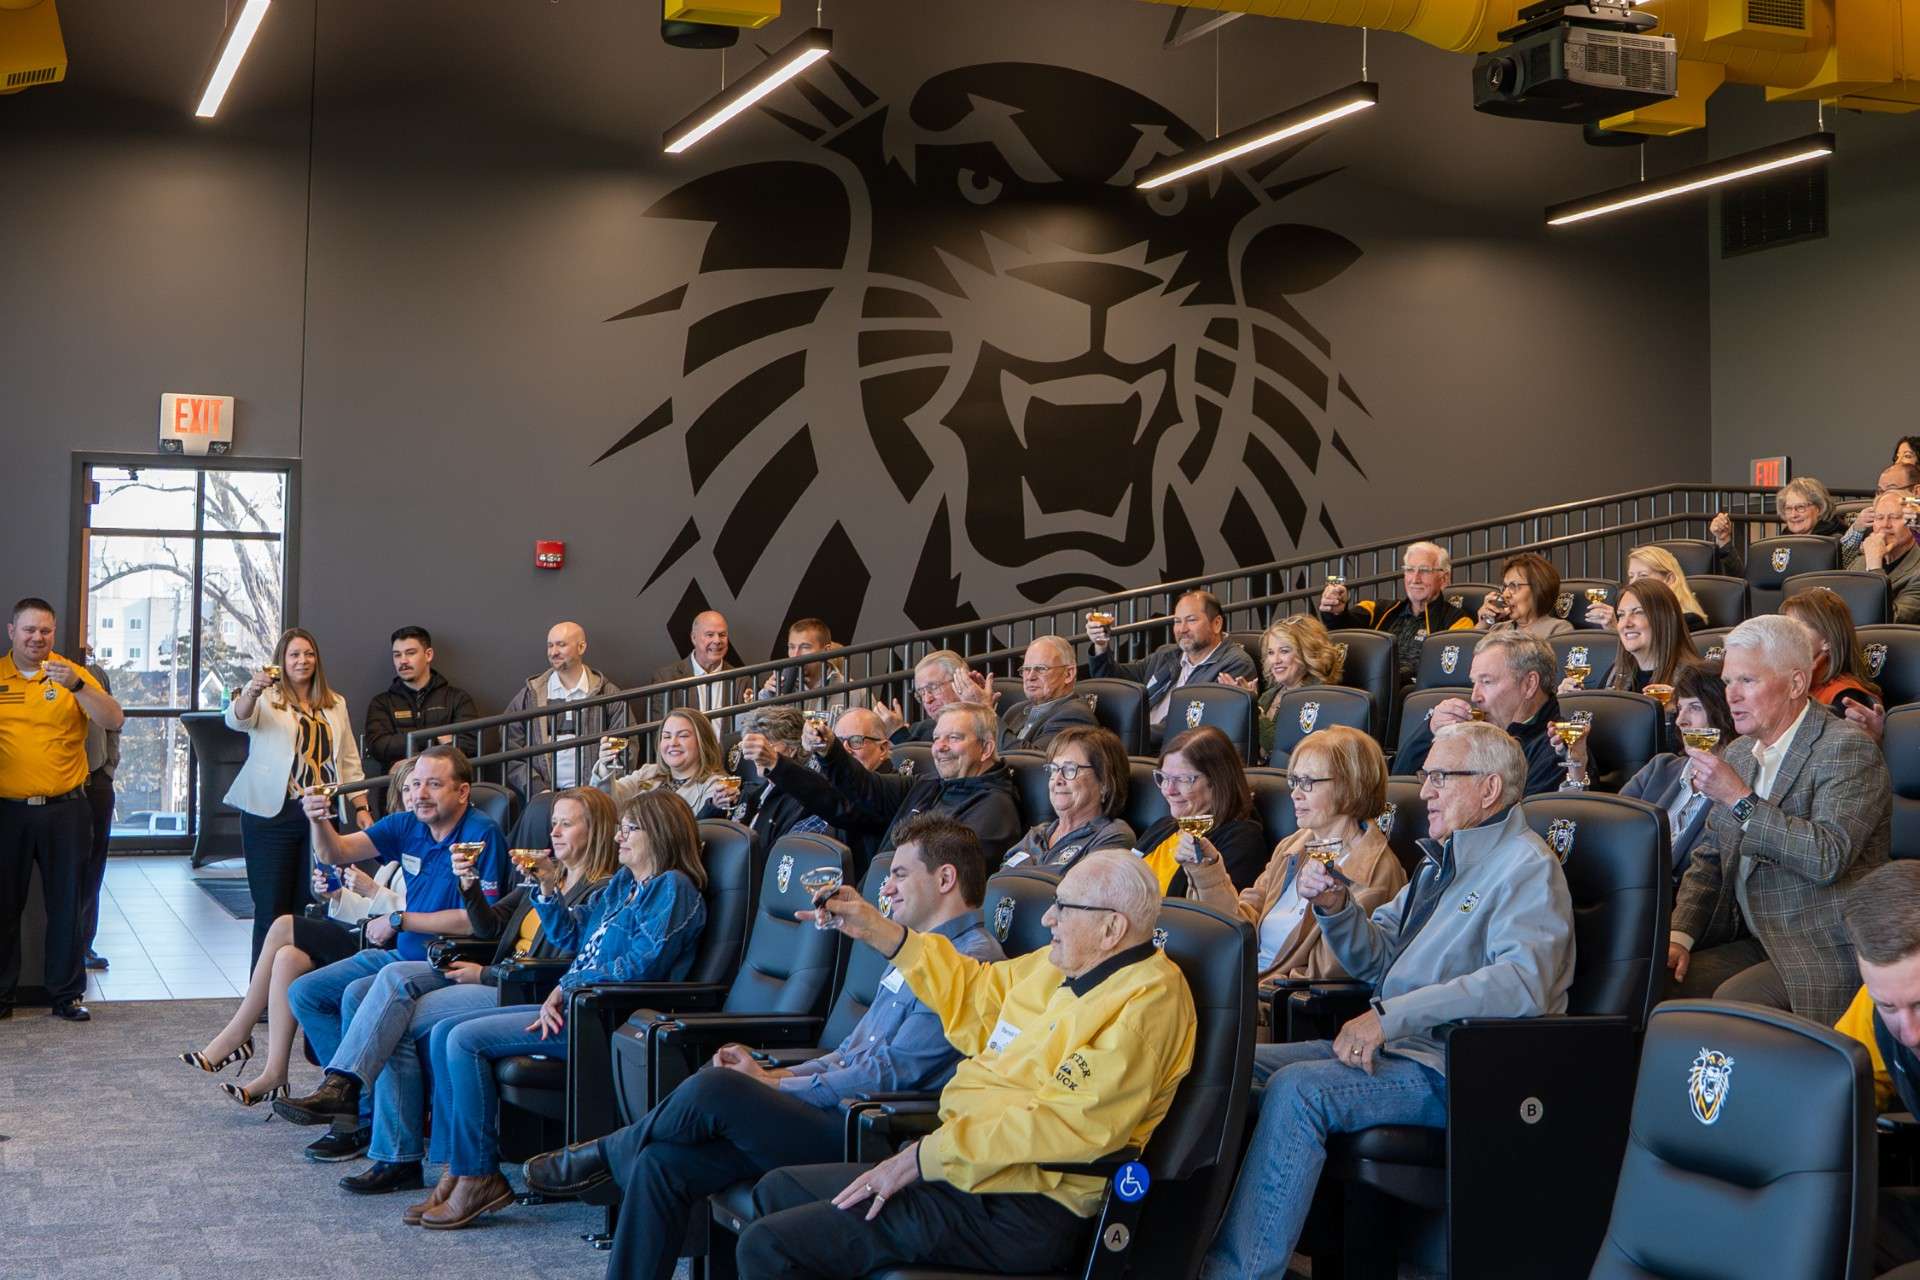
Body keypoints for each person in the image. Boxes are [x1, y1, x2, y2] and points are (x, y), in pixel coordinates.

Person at [520, 815, 1004, 1280]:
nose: (888, 887)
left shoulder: (971, 964)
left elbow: (890, 1076)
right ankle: (619, 1160)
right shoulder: (915, 952)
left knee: (716, 1088)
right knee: (660, 1164)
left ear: (944, 879)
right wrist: (774, 1077)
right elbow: (852, 1052)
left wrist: (773, 1085)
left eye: (900, 874)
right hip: (833, 1109)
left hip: (870, 1130)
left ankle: (604, 1155)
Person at [1199, 722, 1574, 1279]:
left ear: (1489, 788)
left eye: (1441, 777)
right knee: (1230, 1067)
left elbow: (1522, 983)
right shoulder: (1438, 861)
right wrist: (1335, 906)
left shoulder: (1527, 865)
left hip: (1454, 1067)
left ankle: (1240, 1272)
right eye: (1426, 777)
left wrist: (1389, 1017)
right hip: (1397, 1049)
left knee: (1300, 1089)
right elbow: (1378, 957)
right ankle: (1196, 1244)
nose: (1424, 791)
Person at [734, 849, 1197, 1278]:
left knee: (769, 1246)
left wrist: (924, 1157)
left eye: (1064, 908)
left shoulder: (1147, 1003)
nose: (1047, 918)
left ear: (1112, 928)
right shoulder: (1059, 965)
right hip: (967, 1170)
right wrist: (877, 929)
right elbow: (973, 991)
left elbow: (1065, 1127)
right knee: (778, 1190)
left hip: (1023, 1206)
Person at [287, 788, 619, 1195]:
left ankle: (380, 1126)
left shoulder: (602, 889)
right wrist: (469, 884)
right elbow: (488, 926)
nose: (554, 831)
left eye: (567, 823)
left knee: (395, 1015)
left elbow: (575, 957)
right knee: (367, 994)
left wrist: (486, 974)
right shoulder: (546, 874)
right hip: (495, 971)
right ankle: (359, 1107)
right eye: (554, 822)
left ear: (597, 830)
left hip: (520, 987)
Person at [413, 788, 707, 1229]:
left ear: (660, 834)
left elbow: (640, 966)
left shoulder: (673, 889)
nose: (619, 837)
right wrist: (548, 889)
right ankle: (459, 1167)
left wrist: (567, 987)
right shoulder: (625, 885)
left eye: (630, 829)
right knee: (442, 1033)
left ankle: (478, 1176)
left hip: (605, 1018)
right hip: (574, 1004)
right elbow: (573, 938)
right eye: (620, 828)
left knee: (462, 1039)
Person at [281, 745, 509, 1161]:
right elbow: (336, 852)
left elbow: (475, 921)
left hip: (444, 959)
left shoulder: (481, 834)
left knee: (359, 995)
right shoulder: (406, 824)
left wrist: (404, 920)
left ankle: (353, 1108)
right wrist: (319, 820)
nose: (421, 793)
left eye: (434, 785)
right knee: (305, 993)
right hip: (398, 954)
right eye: (415, 783)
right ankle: (352, 1103)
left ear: (461, 793)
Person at [1668, 616, 1891, 1024]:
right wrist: (1680, 935)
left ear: (1795, 684)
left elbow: (1826, 857)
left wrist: (1739, 798)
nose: (1731, 695)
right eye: (1728, 681)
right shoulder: (1739, 754)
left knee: (1732, 1003)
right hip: (1755, 937)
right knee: (1653, 980)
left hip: (1820, 944)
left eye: (1747, 681)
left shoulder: (1846, 750)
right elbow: (1710, 859)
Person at [185, 760, 417, 1108]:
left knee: (282, 925)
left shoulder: (438, 847)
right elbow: (368, 910)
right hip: (365, 935)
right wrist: (339, 896)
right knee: (287, 956)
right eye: (409, 788)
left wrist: (372, 892)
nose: (417, 795)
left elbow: (412, 913)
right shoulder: (397, 851)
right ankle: (275, 1073)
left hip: (391, 948)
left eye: (426, 786)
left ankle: (239, 1032)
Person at [1183, 726, 1406, 989]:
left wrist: (1254, 991)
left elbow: (1332, 971)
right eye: (1294, 782)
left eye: (1308, 783)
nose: (1295, 794)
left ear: (1352, 785)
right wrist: (1208, 870)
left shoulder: (1376, 868)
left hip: (1274, 1004)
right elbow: (1241, 925)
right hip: (1241, 986)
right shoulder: (1292, 847)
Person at [0, 598, 126, 1022]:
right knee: (3, 905)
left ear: (53, 634)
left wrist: (78, 685)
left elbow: (113, 718)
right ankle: (2, 995)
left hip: (66, 810)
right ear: (11, 631)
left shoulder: (73, 674)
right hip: (8, 811)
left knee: (68, 903)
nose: (37, 638)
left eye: (45, 631)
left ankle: (66, 994)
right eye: (29, 630)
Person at [223, 626, 370, 967]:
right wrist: (251, 689)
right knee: (272, 905)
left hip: (321, 815)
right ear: (282, 661)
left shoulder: (335, 703)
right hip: (271, 814)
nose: (302, 661)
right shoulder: (267, 699)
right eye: (294, 655)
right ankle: (261, 996)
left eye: (308, 654)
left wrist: (361, 807)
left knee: (316, 899)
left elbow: (349, 760)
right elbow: (236, 719)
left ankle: (305, 986)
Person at [768, 703, 1022, 871]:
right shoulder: (928, 784)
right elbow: (862, 787)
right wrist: (827, 751)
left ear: (986, 748)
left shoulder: (995, 807)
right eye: (936, 738)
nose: (940, 746)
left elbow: (952, 878)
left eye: (954, 738)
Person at [1567, 664, 1736, 888]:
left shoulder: (1735, 787)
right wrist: (1578, 765)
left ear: (1722, 713)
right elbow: (1607, 829)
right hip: (1621, 887)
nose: (1680, 720)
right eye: (1680, 709)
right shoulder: (1661, 768)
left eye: (1694, 707)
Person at [1835, 861, 1920, 1269]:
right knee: (1821, 1227)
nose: (1911, 1032)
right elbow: (1836, 1096)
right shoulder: (1871, 1011)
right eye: (1889, 1006)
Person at [1402, 631, 1573, 797]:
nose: (1475, 696)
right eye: (1474, 683)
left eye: (1486, 682)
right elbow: (1399, 781)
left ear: (1529, 684)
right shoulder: (1474, 731)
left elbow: (1520, 818)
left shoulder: (1558, 750)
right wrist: (1431, 730)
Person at [1087, 589, 1257, 743]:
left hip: (1176, 753)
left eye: (1191, 620)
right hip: (1136, 743)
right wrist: (1101, 646)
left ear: (1216, 624)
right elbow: (1116, 681)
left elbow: (1192, 727)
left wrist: (1131, 733)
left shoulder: (1235, 664)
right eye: (1177, 621)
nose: (1182, 629)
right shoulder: (1166, 655)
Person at [502, 620, 627, 800]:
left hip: (593, 799)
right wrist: (538, 790)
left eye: (561, 645)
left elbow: (623, 746)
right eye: (550, 646)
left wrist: (601, 788)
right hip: (544, 800)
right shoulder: (530, 696)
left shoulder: (607, 693)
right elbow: (510, 750)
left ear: (582, 647)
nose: (554, 652)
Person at [1317, 541, 1476, 683]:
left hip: (1412, 697)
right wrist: (1336, 611)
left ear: (1444, 579)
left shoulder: (1458, 621)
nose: (1415, 579)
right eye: (1410, 570)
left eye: (1424, 570)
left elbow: (1446, 670)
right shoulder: (1380, 609)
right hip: (1371, 689)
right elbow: (1344, 626)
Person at [1133, 725, 1266, 893]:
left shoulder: (1241, 840)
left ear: (1217, 781)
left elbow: (1213, 913)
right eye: (1164, 777)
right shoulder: (1163, 826)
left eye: (1183, 779)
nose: (1168, 790)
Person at [1002, 726, 1135, 872]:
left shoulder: (1113, 835)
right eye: (1053, 769)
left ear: (1104, 782)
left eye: (1070, 769)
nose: (1057, 780)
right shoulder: (1037, 834)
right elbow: (999, 882)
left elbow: (1077, 891)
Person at [1219, 614, 1344, 764]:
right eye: (1271, 652)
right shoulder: (1269, 695)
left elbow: (1283, 749)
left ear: (1306, 652)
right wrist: (1242, 705)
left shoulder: (1319, 697)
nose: (1275, 660)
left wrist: (1255, 711)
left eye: (1284, 651)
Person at [362, 626, 481, 783]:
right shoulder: (381, 703)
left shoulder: (457, 698)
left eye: (410, 653)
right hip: (399, 792)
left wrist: (412, 759)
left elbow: (471, 746)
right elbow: (379, 747)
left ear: (428, 655)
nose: (403, 661)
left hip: (447, 791)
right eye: (397, 655)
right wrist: (437, 739)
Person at [732, 706, 840, 849]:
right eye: (755, 745)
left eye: (767, 745)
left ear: (792, 748)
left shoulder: (801, 797)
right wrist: (714, 807)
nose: (757, 753)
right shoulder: (752, 791)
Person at [592, 706, 731, 813]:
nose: (673, 743)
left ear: (703, 742)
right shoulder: (648, 773)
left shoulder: (714, 786)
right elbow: (608, 805)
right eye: (666, 736)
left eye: (683, 736)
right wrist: (606, 768)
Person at [1579, 578, 1700, 697]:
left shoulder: (1693, 679)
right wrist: (1577, 698)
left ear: (1663, 619)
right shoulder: (1616, 672)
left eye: (1638, 612)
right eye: (1621, 615)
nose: (1626, 624)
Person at [78, 647, 120, 972]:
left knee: (93, 868)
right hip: (62, 785)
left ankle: (85, 943)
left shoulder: (95, 674)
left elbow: (114, 721)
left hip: (97, 781)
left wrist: (109, 765)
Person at [1783, 588, 1884, 712]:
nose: (1786, 635)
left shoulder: (1845, 697)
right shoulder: (1790, 683)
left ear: (1827, 641)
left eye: (1797, 627)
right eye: (1786, 626)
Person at [999, 636, 1098, 751]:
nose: (1030, 677)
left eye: (1041, 669)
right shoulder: (1016, 710)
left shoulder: (1075, 716)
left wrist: (988, 714)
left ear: (1068, 674)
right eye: (1026, 669)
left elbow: (1035, 763)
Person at [1588, 545, 1709, 631]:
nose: (1634, 582)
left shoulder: (1689, 621)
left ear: (1669, 579)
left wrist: (1617, 630)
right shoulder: (1624, 615)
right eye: (1631, 576)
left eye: (1643, 575)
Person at [755, 617, 863, 711]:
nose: (795, 655)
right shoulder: (778, 687)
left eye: (805, 647)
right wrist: (767, 695)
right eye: (791, 647)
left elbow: (874, 732)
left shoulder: (855, 692)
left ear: (826, 651)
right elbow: (746, 728)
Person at [1845, 491, 1920, 624]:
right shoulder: (1859, 563)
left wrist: (1874, 567)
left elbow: (1893, 621)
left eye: (1895, 517)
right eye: (1879, 518)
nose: (1885, 525)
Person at [872, 649, 974, 745]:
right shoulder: (918, 731)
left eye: (933, 688)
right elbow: (905, 764)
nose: (927, 700)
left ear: (960, 681)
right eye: (921, 693)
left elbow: (932, 764)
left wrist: (898, 736)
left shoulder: (983, 725)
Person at [652, 609, 741, 714]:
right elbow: (661, 728)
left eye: (722, 635)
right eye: (710, 635)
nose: (717, 641)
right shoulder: (666, 679)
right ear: (694, 638)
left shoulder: (741, 680)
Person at [1476, 552, 1573, 640]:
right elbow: (1467, 657)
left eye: (1513, 586)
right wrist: (1483, 624)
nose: (1505, 594)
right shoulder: (1497, 628)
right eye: (1505, 587)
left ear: (1538, 588)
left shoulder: (1559, 630)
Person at [1838, 463, 1920, 562]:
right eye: (1880, 491)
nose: (1885, 524)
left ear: (1916, 492)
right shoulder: (1868, 522)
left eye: (1891, 489)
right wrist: (1857, 529)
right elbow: (1842, 562)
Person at [833, 706, 895, 774]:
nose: (844, 749)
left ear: (883, 749)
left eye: (856, 741)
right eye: (838, 741)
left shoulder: (897, 783)